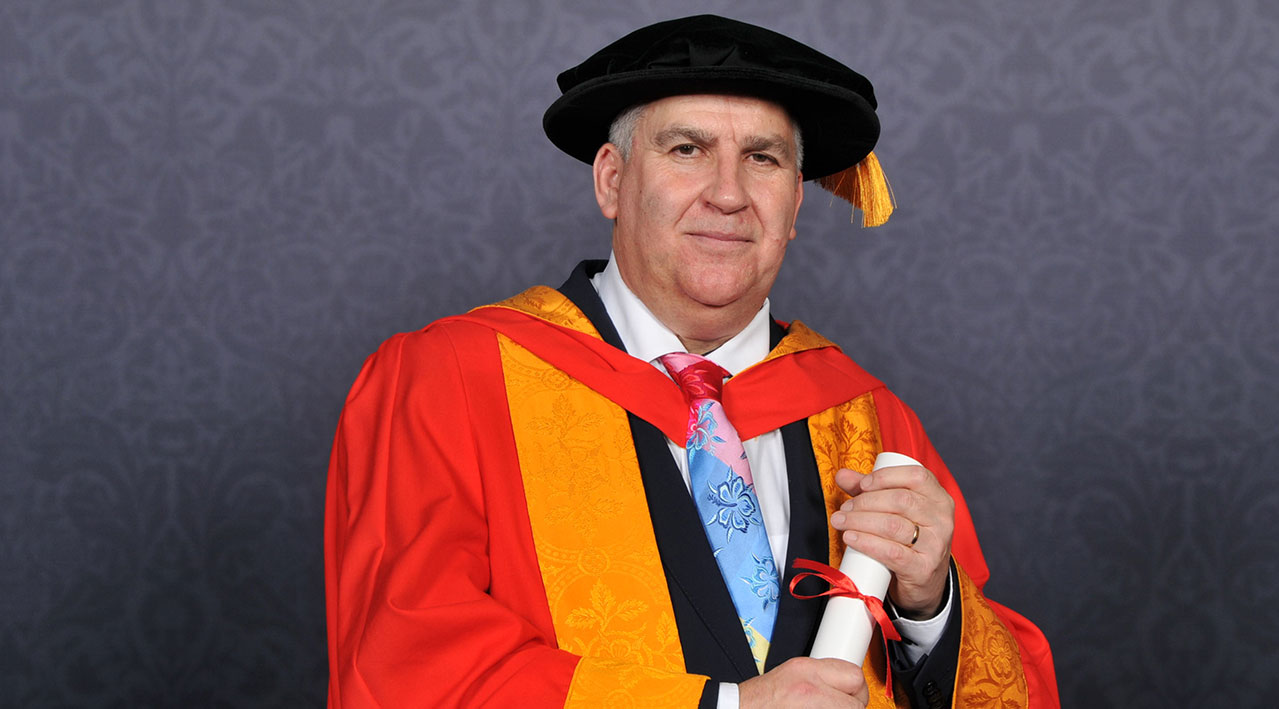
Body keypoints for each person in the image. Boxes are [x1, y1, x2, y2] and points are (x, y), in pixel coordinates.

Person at [325, 14, 1057, 709]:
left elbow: (1008, 682)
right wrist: (730, 704)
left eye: (762, 159)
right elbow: (403, 656)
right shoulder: (454, 378)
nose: (729, 194)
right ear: (611, 180)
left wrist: (930, 601)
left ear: (795, 203)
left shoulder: (862, 412)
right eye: (686, 149)